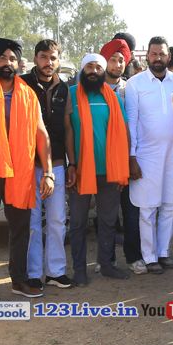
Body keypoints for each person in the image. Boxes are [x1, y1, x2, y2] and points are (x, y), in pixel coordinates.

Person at [0, 38, 54, 299]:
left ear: (19, 63)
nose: (7, 63)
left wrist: (49, 172)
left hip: (20, 170)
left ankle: (19, 280)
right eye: (2, 58)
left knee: (20, 227)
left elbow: (41, 133)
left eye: (12, 59)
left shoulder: (28, 94)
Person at [64, 54, 131, 284]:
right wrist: (72, 164)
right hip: (81, 171)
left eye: (98, 67)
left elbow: (124, 131)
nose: (94, 71)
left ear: (104, 71)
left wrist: (123, 166)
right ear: (82, 70)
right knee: (78, 222)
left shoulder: (113, 97)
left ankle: (106, 265)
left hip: (110, 171)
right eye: (89, 67)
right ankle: (79, 270)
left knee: (108, 221)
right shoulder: (71, 94)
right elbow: (68, 131)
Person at [125, 37, 173, 274]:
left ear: (168, 56)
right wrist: (132, 157)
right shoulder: (135, 83)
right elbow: (131, 122)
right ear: (147, 57)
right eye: (154, 54)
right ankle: (149, 256)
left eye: (162, 54)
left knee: (170, 204)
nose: (158, 58)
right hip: (146, 154)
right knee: (148, 206)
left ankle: (163, 252)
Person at [21, 40, 71, 289]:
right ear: (35, 59)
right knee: (32, 223)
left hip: (58, 163)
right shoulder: (22, 84)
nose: (48, 62)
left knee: (57, 220)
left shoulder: (64, 88)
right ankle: (33, 274)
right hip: (29, 165)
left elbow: (68, 128)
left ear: (58, 60)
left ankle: (55, 272)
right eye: (43, 57)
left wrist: (72, 164)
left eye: (53, 57)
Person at [101, 38, 142, 272]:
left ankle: (134, 257)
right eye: (112, 59)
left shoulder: (131, 88)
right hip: (102, 160)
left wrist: (132, 157)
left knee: (131, 211)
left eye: (121, 60)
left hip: (128, 158)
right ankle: (107, 260)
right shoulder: (93, 88)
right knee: (107, 214)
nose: (117, 65)